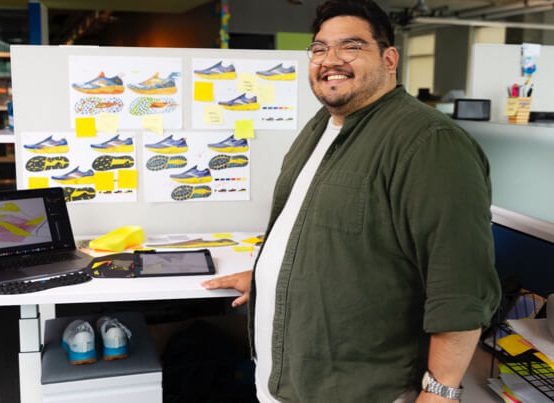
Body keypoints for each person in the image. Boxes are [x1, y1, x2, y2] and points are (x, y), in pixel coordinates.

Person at [202, 1, 501, 402]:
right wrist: (272, 278)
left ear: (389, 59)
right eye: (320, 48)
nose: (331, 60)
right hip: (287, 381)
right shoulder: (322, 127)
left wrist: (440, 392)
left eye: (351, 46)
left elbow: (460, 285)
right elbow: (330, 236)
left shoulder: (430, 143)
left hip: (361, 389)